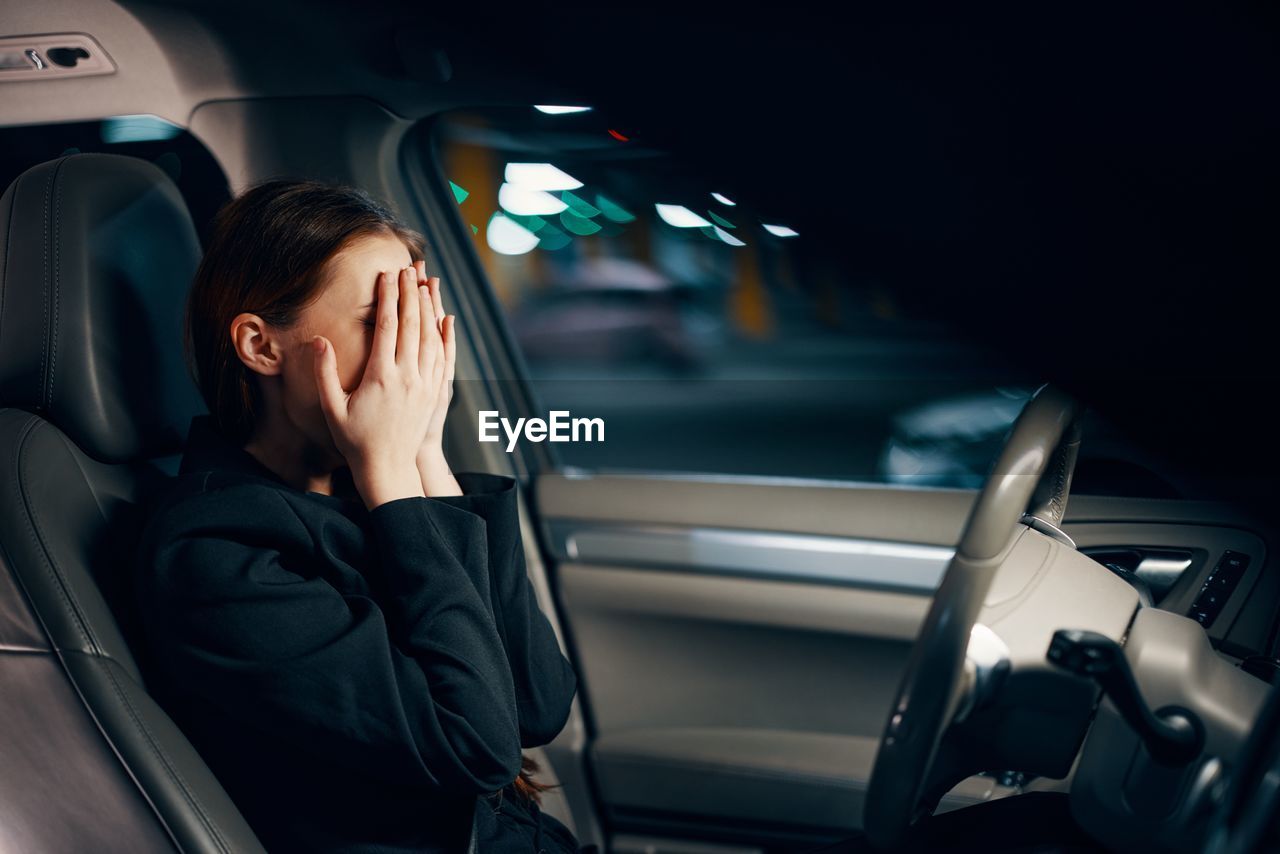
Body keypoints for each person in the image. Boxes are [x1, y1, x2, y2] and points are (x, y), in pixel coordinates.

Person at [133, 178, 588, 853]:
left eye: (421, 322)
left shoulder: (358, 490)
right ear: (261, 346)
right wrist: (392, 478)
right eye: (384, 322)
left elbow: (538, 702)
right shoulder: (216, 556)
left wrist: (427, 452)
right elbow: (478, 746)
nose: (415, 357)